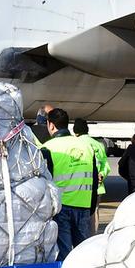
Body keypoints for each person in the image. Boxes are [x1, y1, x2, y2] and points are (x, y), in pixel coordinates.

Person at [40, 109, 100, 259]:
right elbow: (93, 179)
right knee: (83, 253)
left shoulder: (48, 148)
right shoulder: (86, 147)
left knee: (65, 255)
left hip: (61, 208)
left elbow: (44, 182)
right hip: (84, 207)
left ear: (51, 125)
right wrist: (91, 207)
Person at [72, 119, 110, 224]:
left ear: (75, 131)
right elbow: (105, 165)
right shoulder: (98, 145)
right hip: (97, 186)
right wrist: (101, 174)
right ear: (87, 130)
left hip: (77, 186)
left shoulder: (73, 144)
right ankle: (93, 238)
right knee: (94, 214)